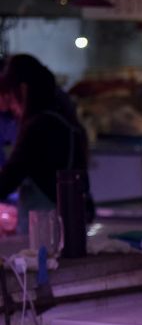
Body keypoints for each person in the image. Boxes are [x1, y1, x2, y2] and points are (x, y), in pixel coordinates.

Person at [0, 54, 94, 231]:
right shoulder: (63, 120)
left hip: (48, 228)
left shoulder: (40, 126)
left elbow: (11, 176)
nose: (12, 108)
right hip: (70, 220)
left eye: (11, 99)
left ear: (23, 90)